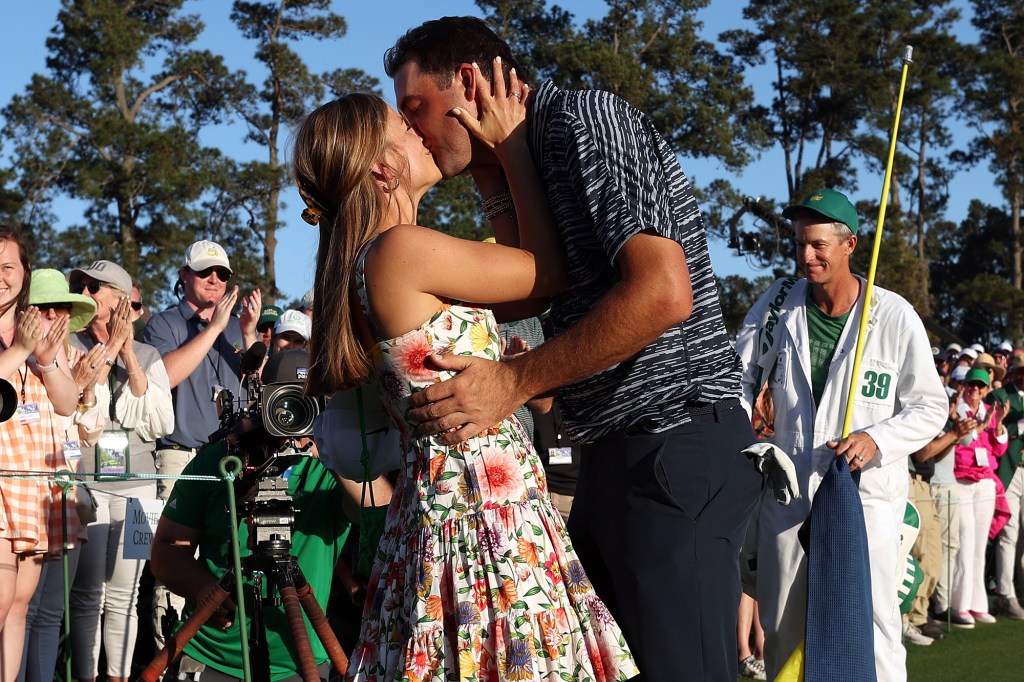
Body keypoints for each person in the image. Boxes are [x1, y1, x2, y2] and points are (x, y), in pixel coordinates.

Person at [385, 17, 759, 681]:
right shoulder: (530, 153)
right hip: (614, 457)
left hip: (674, 443)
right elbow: (534, 289)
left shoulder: (585, 120)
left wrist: (513, 380)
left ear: (469, 83)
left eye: (416, 108)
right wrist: (494, 173)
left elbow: (663, 293)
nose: (410, 128)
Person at [292, 77, 636, 680]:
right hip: (482, 510)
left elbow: (519, 297)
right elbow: (547, 273)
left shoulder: (376, 258)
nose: (418, 129)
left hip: (452, 505)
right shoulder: (400, 249)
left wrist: (486, 180)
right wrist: (509, 152)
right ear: (382, 168)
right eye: (402, 126)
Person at [735, 189, 947, 682]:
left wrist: (877, 439)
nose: (805, 256)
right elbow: (737, 381)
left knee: (872, 624)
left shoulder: (892, 315)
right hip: (788, 490)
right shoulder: (775, 306)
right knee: (783, 622)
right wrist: (748, 429)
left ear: (850, 245)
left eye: (817, 245)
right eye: (798, 244)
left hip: (864, 498)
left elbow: (931, 406)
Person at [151, 350, 351, 681]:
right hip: (211, 654)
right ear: (261, 398)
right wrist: (205, 591)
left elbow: (372, 507)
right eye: (285, 400)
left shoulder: (333, 467)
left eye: (309, 401)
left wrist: (330, 444)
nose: (295, 413)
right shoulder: (221, 458)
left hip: (300, 660)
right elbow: (168, 547)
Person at [142, 239, 260, 646]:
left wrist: (245, 334)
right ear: (183, 276)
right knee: (175, 558)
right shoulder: (164, 323)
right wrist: (212, 329)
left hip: (228, 458)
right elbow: (161, 379)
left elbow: (252, 395)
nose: (215, 279)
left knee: (224, 550)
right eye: (205, 271)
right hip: (180, 454)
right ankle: (169, 651)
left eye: (222, 274)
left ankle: (215, 648)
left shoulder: (233, 327)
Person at [68, 259, 175, 682]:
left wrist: (127, 353)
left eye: (97, 288)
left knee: (126, 595)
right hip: (89, 485)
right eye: (83, 285)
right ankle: (85, 677)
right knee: (86, 595)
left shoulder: (148, 354)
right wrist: (102, 356)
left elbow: (160, 423)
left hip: (140, 489)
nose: (86, 293)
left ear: (121, 300)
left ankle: (117, 677)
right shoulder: (70, 347)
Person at [0, 229, 91, 682]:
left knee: (20, 605)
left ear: (24, 274)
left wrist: (49, 359)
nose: (0, 277)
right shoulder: (18, 339)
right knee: (0, 602)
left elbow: (67, 404)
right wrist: (18, 352)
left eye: (7, 267)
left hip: (32, 484)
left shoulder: (31, 331)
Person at [18, 268, 103, 682]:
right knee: (21, 610)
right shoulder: (13, 356)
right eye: (45, 308)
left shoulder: (68, 359)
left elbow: (85, 428)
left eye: (62, 309)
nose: (54, 317)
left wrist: (86, 385)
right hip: (22, 497)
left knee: (50, 610)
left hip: (63, 490)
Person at [950, 368, 1008, 627]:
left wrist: (1000, 425)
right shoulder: (957, 408)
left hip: (985, 483)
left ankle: (977, 604)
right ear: (965, 386)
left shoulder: (989, 411)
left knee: (978, 546)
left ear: (986, 390)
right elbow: (963, 442)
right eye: (972, 385)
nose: (975, 390)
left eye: (980, 387)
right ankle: (959, 604)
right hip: (961, 480)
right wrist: (977, 425)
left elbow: (998, 448)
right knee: (964, 542)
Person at [988, 355, 1024, 619]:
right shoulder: (1000, 395)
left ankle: (1018, 589)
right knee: (1009, 533)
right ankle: (1005, 593)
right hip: (1008, 470)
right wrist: (1018, 424)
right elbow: (992, 427)